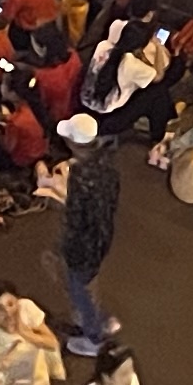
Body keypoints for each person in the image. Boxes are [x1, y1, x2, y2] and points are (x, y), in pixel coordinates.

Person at [57, 109, 123, 354]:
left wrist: (65, 246)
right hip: (104, 236)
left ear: (75, 143)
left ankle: (94, 338)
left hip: (83, 244)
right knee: (90, 281)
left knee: (79, 289)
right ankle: (101, 319)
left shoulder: (80, 175)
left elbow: (75, 218)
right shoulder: (108, 163)